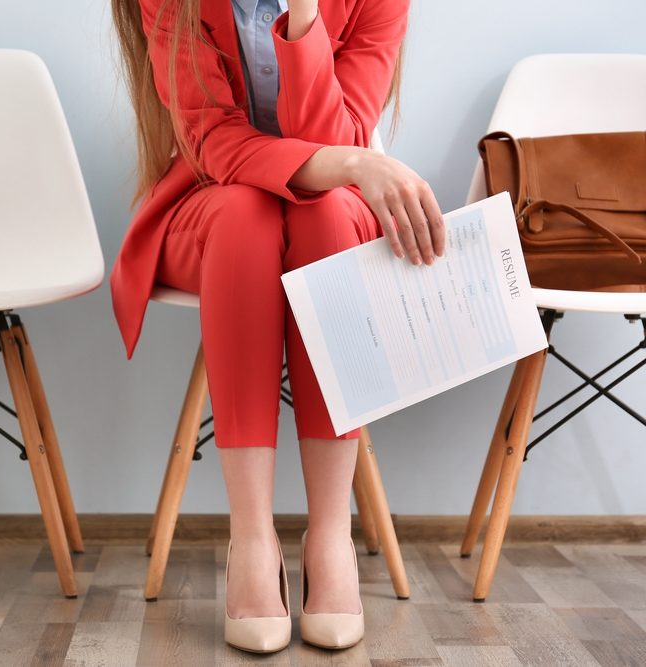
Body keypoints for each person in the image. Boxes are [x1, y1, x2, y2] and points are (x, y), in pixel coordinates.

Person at [109, 0, 445, 653]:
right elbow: (215, 143)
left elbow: (339, 133)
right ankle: (253, 536)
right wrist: (350, 166)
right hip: (209, 204)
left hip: (333, 217)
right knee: (246, 215)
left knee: (322, 221)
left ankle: (329, 533)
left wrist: (302, 16)